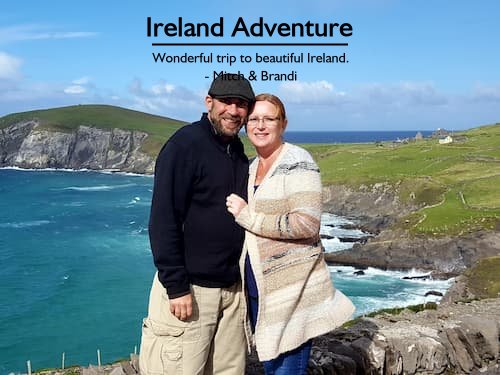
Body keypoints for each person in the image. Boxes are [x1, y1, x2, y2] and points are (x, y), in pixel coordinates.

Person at [226, 94, 355, 374]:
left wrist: (248, 216)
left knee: (286, 370)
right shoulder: (249, 168)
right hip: (260, 290)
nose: (260, 126)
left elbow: (307, 224)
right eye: (254, 119)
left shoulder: (297, 160)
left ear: (282, 123)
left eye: (269, 119)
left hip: (293, 296)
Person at [139, 73, 255, 375]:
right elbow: (163, 219)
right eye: (227, 102)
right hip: (191, 291)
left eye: (242, 104)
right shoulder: (185, 146)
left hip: (232, 293)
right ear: (209, 102)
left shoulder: (237, 153)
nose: (234, 110)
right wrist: (176, 287)